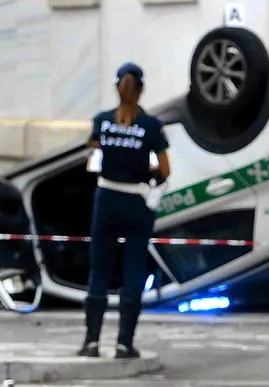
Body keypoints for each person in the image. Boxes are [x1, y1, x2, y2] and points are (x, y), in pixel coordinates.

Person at [79, 62, 171, 359]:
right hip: (136, 203)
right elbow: (165, 170)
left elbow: (93, 154)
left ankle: (91, 341)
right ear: (141, 89)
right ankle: (123, 344)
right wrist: (148, 172)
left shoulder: (102, 121)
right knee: (132, 273)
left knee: (100, 271)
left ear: (116, 88)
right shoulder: (151, 126)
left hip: (105, 200)